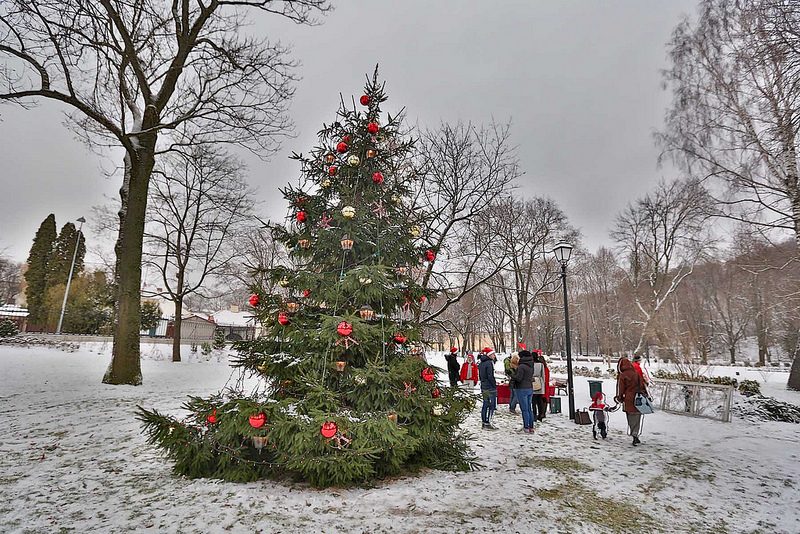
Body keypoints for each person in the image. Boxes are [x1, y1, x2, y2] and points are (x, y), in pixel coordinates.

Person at [615, 356, 648, 446]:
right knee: (637, 417)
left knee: (630, 417)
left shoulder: (623, 375)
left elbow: (621, 389)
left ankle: (634, 434)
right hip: (638, 397)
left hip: (628, 399)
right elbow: (642, 385)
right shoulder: (636, 373)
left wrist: (620, 398)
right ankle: (636, 434)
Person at [512, 350, 535, 433]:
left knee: (524, 409)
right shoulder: (531, 365)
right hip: (529, 388)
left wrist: (513, 375)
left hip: (521, 388)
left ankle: (526, 427)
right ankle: (531, 427)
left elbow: (518, 378)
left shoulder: (521, 366)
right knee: (529, 409)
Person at [478, 347, 498, 430]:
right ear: (489, 355)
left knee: (485, 404)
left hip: (483, 385)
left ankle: (484, 421)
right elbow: (490, 376)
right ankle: (488, 422)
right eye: (493, 354)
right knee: (492, 405)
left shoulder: (481, 363)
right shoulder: (489, 363)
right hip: (489, 386)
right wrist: (494, 384)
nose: (494, 356)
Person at [531, 352, 547, 423]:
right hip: (539, 383)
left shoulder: (530, 364)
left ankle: (534, 415)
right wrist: (542, 383)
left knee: (533, 401)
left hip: (532, 383)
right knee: (539, 401)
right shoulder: (541, 365)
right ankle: (541, 415)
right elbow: (543, 375)